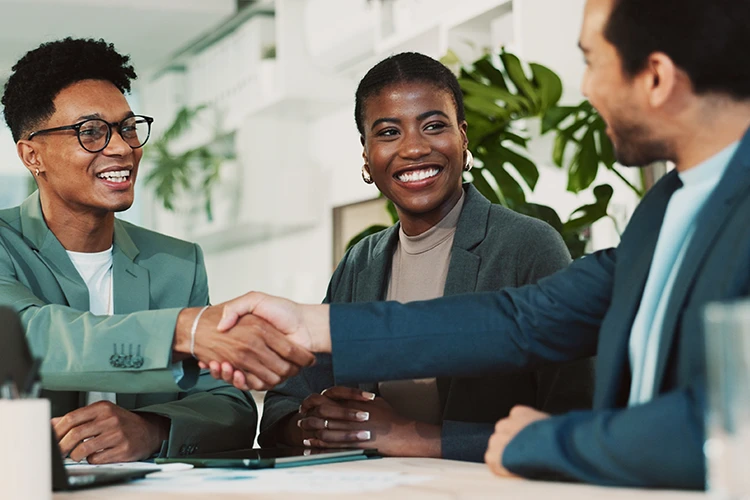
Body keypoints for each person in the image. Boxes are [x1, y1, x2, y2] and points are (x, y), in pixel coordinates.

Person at [213, 0, 750, 489]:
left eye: (591, 61)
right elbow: (523, 319)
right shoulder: (667, 210)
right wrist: (311, 324)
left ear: (654, 77)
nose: (585, 89)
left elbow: (719, 424)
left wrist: (533, 441)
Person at [258, 52, 594, 462]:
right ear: (366, 155)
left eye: (434, 126)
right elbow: (283, 403)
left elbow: (574, 419)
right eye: (388, 133)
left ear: (463, 138)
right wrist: (318, 428)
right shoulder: (361, 262)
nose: (414, 148)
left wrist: (408, 435)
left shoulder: (526, 246)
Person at [0, 37, 314, 464]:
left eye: (127, 128)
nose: (122, 147)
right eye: (91, 132)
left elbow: (230, 405)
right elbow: (29, 337)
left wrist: (154, 428)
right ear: (32, 155)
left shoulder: (176, 264)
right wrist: (184, 330)